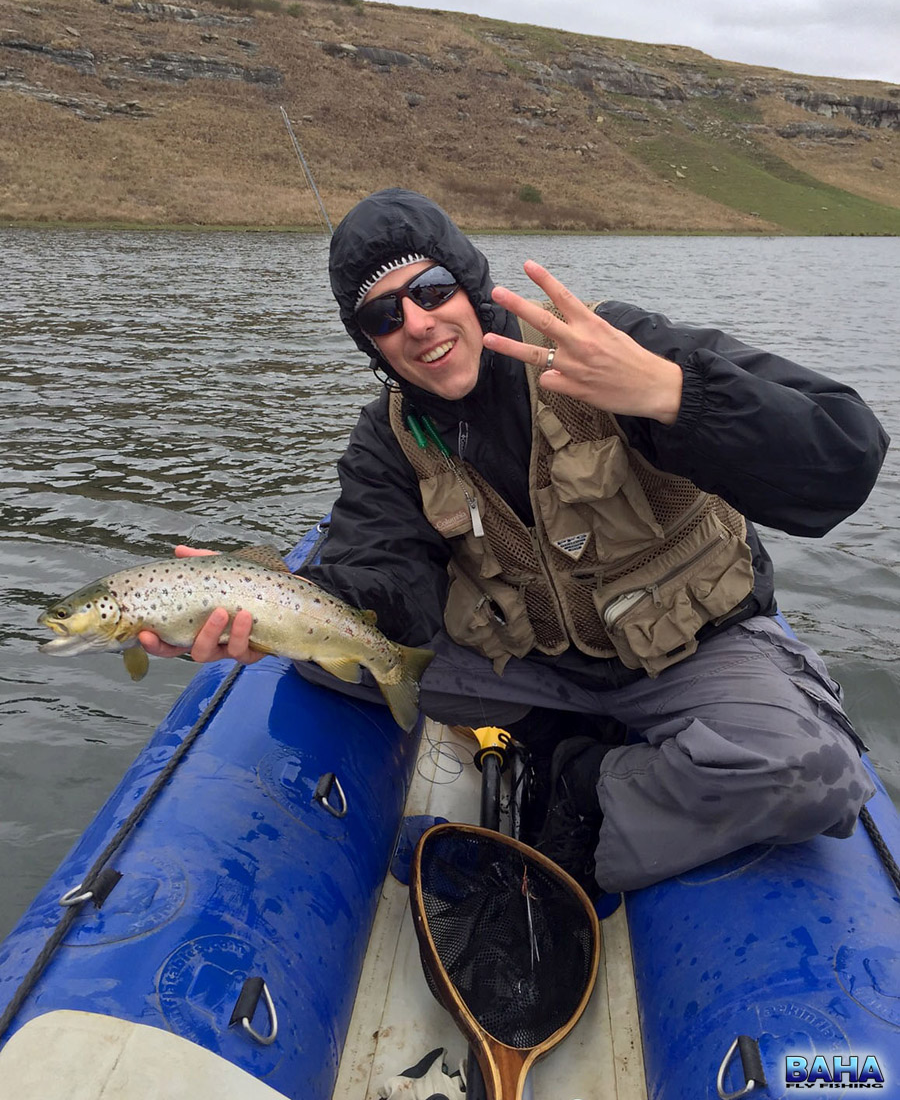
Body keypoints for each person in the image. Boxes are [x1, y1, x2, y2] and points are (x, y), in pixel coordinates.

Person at [141, 188, 889, 899]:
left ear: (470, 285)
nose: (418, 323)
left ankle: (582, 784)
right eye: (384, 315)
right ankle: (553, 734)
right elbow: (384, 579)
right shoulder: (388, 438)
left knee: (815, 776)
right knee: (324, 665)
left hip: (692, 652)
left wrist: (670, 393)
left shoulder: (608, 344)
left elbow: (845, 454)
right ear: (371, 341)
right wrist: (267, 609)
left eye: (431, 289)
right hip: (531, 670)